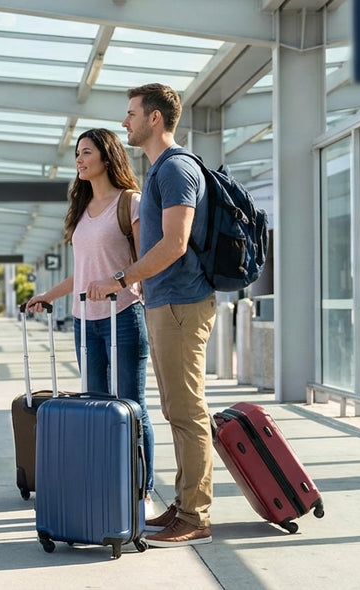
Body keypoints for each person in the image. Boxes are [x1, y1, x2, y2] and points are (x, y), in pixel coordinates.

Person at [86, 83, 216, 548]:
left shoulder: (176, 169)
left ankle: (196, 514)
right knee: (174, 409)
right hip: (166, 303)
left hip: (182, 302)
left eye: (132, 114)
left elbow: (175, 243)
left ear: (155, 119)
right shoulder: (162, 169)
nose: (125, 122)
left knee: (187, 409)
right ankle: (183, 506)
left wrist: (122, 280)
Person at [24, 128, 157, 516]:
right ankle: (106, 483)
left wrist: (119, 282)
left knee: (132, 406)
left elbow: (143, 261)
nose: (79, 160)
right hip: (85, 321)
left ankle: (142, 491)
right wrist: (49, 295)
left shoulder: (130, 202)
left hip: (124, 317)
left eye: (86, 153)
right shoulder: (81, 211)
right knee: (97, 407)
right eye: (77, 155)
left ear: (106, 157)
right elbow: (84, 272)